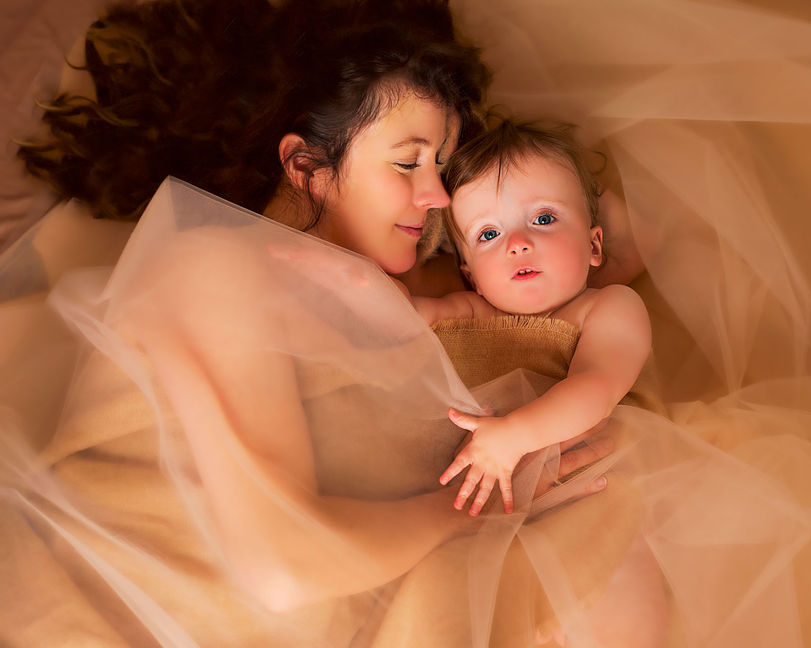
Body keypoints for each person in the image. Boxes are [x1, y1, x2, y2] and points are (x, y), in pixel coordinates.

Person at [2, 0, 810, 646]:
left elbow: (628, 240)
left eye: (443, 168)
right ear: (304, 164)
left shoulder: (434, 279)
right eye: (406, 162)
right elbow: (282, 568)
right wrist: (495, 501)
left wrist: (505, 193)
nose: (435, 197)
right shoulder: (214, 265)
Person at [412, 120, 651, 517]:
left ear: (594, 245)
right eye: (488, 234)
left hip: (588, 491)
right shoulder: (473, 312)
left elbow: (597, 387)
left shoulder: (608, 308)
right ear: (473, 278)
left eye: (543, 219)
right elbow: (408, 317)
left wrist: (515, 436)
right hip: (480, 504)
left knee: (614, 555)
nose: (518, 244)